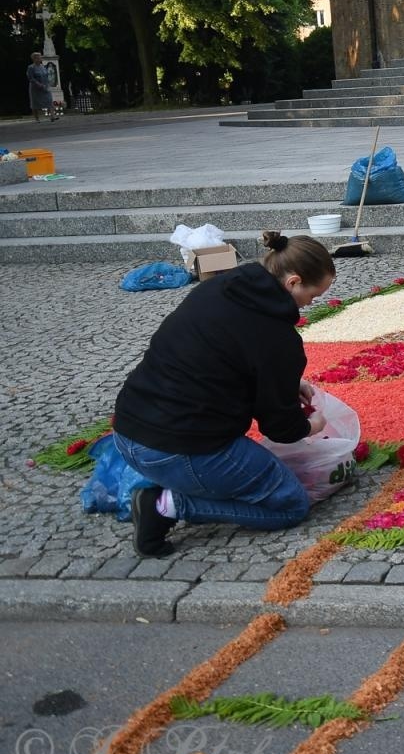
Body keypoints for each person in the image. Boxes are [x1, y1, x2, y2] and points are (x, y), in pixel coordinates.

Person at [112, 231, 336, 556]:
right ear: (292, 282)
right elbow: (281, 428)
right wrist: (310, 426)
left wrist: (287, 383)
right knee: (290, 505)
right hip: (180, 448)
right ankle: (166, 504)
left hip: (129, 430)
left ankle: (171, 484)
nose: (310, 303)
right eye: (313, 295)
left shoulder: (218, 288)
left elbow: (225, 360)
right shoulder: (278, 338)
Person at [26, 52, 53, 123]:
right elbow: (31, 78)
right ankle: (37, 118)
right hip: (35, 88)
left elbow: (46, 75)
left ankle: (52, 116)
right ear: (34, 59)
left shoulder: (42, 66)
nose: (40, 58)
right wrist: (38, 84)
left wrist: (48, 84)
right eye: (38, 57)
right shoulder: (31, 67)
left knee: (49, 100)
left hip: (45, 86)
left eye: (40, 57)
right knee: (35, 103)